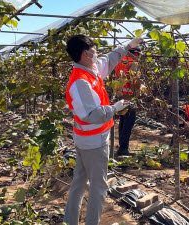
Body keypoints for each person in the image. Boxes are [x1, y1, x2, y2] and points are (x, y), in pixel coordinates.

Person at [63, 35, 143, 225]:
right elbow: (92, 115)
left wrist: (128, 47)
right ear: (86, 53)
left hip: (86, 140)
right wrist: (115, 108)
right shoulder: (81, 82)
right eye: (94, 49)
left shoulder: (91, 70)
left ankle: (70, 221)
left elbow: (109, 59)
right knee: (99, 188)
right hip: (93, 142)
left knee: (79, 183)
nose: (97, 52)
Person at [115, 46, 142, 156]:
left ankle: (122, 146)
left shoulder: (121, 62)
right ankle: (123, 148)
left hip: (121, 95)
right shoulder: (133, 63)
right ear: (135, 53)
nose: (139, 57)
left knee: (123, 121)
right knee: (129, 122)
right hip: (130, 96)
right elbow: (134, 81)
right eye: (138, 54)